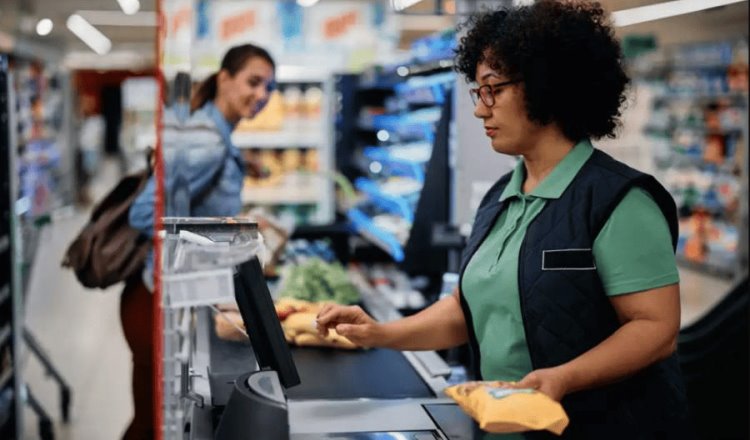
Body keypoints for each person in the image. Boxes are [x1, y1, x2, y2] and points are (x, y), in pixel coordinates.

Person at [316, 2, 689, 438]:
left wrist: (565, 377)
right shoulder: (500, 197)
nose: (480, 109)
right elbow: (465, 308)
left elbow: (656, 328)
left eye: (493, 89)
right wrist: (379, 333)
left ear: (546, 86)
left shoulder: (618, 200)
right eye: (478, 91)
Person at [123, 44, 275, 439]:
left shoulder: (214, 132)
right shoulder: (208, 141)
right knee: (149, 427)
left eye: (269, 88)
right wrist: (229, 229)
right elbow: (143, 215)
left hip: (172, 302)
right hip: (154, 304)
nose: (262, 96)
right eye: (254, 82)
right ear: (224, 78)